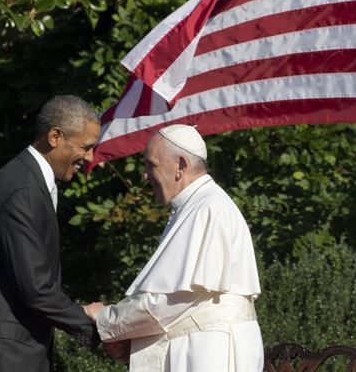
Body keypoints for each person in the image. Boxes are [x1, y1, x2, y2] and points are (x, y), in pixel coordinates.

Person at [0, 95, 102, 372]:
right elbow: (36, 289)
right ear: (55, 137)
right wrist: (96, 327)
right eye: (86, 147)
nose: (89, 158)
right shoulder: (22, 191)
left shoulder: (27, 181)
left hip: (7, 349)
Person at [84, 124, 263, 371]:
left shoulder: (208, 208)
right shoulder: (194, 207)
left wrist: (107, 319)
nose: (145, 175)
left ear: (181, 165)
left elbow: (166, 302)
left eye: (151, 165)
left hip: (211, 353)